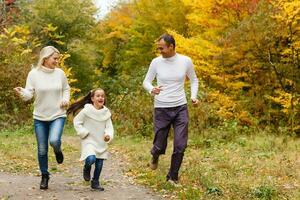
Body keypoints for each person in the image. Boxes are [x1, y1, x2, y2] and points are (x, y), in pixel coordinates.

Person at [143, 33, 199, 184]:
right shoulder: (156, 62)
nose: (159, 51)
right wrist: (151, 89)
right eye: (158, 48)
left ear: (171, 47)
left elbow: (194, 80)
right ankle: (155, 154)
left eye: (161, 48)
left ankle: (172, 178)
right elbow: (146, 81)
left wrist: (193, 96)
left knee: (180, 145)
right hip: (161, 107)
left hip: (180, 107)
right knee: (160, 145)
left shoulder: (185, 61)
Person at [14, 46, 70, 190]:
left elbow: (66, 89)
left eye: (58, 58)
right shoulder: (34, 74)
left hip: (58, 114)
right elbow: (29, 94)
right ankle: (45, 175)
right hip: (40, 117)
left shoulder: (60, 74)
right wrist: (22, 92)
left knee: (54, 140)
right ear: (45, 58)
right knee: (42, 149)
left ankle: (57, 150)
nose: (57, 61)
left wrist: (65, 99)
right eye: (55, 58)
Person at [67, 88, 114, 191]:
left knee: (99, 163)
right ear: (92, 98)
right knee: (91, 158)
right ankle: (87, 167)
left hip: (101, 142)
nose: (101, 98)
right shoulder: (86, 111)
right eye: (98, 96)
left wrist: (108, 136)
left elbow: (109, 128)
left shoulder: (106, 113)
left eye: (102, 96)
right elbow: (77, 122)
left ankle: (95, 182)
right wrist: (84, 132)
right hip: (89, 140)